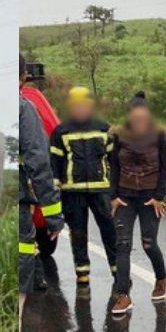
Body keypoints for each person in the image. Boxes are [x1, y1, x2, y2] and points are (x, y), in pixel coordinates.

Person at [19, 53, 65, 332]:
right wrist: (53, 217)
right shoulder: (25, 107)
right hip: (20, 207)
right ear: (23, 75)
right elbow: (40, 163)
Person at [48, 86, 117, 289]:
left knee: (110, 231)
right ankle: (82, 273)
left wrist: (117, 192)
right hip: (72, 192)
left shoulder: (105, 129)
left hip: (101, 191)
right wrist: (56, 194)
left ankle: (118, 270)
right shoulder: (61, 131)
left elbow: (116, 162)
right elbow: (55, 165)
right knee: (78, 233)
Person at [108, 92, 166, 316]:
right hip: (125, 197)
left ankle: (161, 278)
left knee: (148, 244)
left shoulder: (158, 135)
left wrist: (159, 196)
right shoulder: (118, 135)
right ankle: (123, 296)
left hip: (149, 198)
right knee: (122, 246)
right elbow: (113, 166)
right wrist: (113, 196)